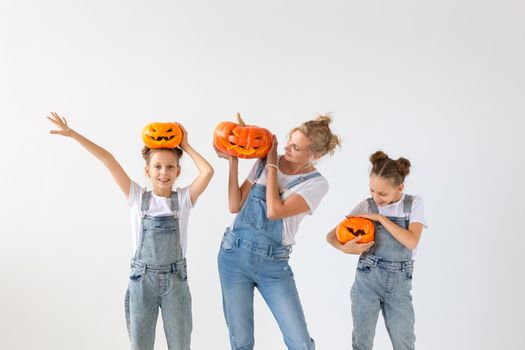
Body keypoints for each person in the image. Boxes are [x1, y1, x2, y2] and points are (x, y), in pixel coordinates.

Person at [47, 112, 214, 350]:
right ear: (147, 170)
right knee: (140, 345)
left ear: (178, 171)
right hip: (142, 281)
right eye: (157, 166)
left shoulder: (184, 199)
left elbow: (207, 172)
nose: (163, 172)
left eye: (170, 167)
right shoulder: (137, 197)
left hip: (176, 281)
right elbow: (108, 160)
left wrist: (185, 145)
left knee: (180, 345)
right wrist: (73, 134)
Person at [215, 114, 340, 350]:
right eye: (289, 141)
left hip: (273, 264)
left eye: (296, 147)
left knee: (300, 343)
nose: (286, 148)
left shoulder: (316, 184)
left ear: (316, 156)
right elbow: (234, 205)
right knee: (240, 342)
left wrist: (271, 165)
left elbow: (275, 211)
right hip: (234, 255)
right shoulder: (262, 162)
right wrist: (233, 162)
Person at [326, 151, 427, 350]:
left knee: (404, 342)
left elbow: (412, 241)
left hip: (400, 284)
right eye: (372, 190)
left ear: (400, 187)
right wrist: (346, 249)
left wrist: (381, 219)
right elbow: (330, 236)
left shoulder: (413, 204)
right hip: (367, 280)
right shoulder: (367, 205)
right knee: (362, 342)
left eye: (382, 193)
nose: (376, 197)